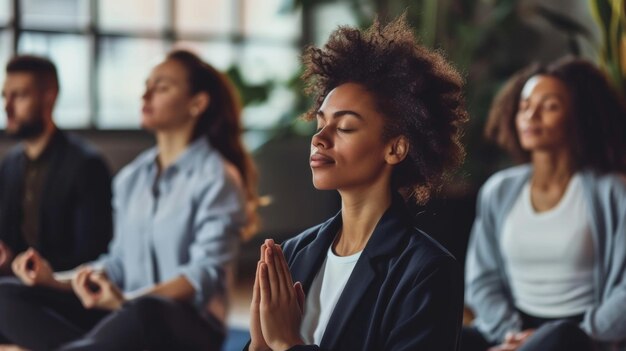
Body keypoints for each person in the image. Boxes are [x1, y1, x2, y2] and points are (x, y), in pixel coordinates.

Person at [0, 49, 258, 351]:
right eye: (146, 86)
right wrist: (54, 280)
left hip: (179, 325)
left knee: (144, 311)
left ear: (197, 104)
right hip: (121, 314)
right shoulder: (132, 178)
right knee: (7, 294)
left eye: (161, 87)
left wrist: (126, 301)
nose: (145, 95)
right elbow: (116, 262)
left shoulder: (218, 176)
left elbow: (204, 274)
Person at [247, 15, 468, 351]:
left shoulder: (427, 272)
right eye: (320, 123)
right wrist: (259, 347)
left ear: (395, 148)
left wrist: (287, 344)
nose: (320, 139)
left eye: (345, 127)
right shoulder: (293, 252)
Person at [463, 58, 626, 351]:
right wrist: (510, 336)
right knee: (448, 337)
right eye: (524, 105)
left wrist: (581, 333)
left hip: (580, 336)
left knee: (558, 337)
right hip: (511, 332)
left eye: (549, 106)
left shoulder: (612, 191)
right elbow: (481, 279)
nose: (531, 115)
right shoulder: (498, 190)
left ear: (579, 116)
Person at [0, 55, 112, 275]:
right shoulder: (10, 166)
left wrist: (26, 267)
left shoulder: (86, 166)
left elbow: (91, 254)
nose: (7, 107)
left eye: (19, 96)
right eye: (5, 96)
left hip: (60, 288)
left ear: (48, 97)